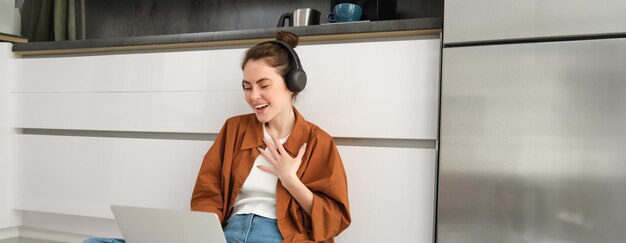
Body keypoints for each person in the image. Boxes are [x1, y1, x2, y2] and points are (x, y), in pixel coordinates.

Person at [83, 31, 350, 243]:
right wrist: (202, 237)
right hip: (226, 233)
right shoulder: (234, 129)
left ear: (293, 84)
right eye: (247, 87)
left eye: (264, 85)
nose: (253, 96)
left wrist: (291, 181)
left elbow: (335, 220)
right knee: (94, 242)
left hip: (280, 237)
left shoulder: (318, 142)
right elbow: (207, 191)